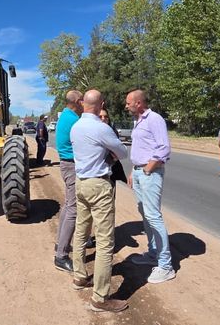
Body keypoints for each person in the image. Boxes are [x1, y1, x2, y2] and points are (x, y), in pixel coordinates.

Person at [70, 89, 129, 313]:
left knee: (81, 230)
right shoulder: (101, 128)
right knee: (105, 241)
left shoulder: (76, 127)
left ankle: (79, 276)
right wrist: (110, 153)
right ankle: (100, 298)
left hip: (81, 183)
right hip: (98, 185)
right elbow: (122, 153)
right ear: (101, 104)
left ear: (83, 103)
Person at [124, 89, 175, 284]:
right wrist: (134, 170)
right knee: (145, 214)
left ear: (138, 103)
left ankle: (166, 266)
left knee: (153, 216)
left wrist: (148, 169)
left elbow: (163, 147)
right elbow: (142, 149)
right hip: (140, 172)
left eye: (128, 102)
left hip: (150, 173)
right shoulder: (138, 120)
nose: (126, 106)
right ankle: (153, 254)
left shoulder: (154, 119)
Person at [54, 90, 83, 272]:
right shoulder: (73, 120)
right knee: (73, 209)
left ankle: (60, 244)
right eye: (83, 100)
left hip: (67, 165)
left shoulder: (66, 116)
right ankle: (61, 256)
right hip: (71, 166)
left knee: (68, 206)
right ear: (78, 101)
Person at [99, 108, 127, 183]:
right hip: (98, 172)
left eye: (106, 117)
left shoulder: (112, 132)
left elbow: (119, 151)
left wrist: (114, 158)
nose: (103, 119)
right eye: (100, 117)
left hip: (112, 169)